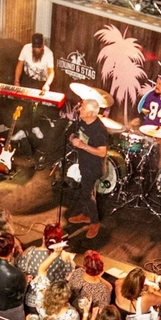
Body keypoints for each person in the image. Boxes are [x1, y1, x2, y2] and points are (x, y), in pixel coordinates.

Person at [66, 98, 109, 239]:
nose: (80, 110)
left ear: (91, 113)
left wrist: (83, 146)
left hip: (94, 167)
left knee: (86, 193)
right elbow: (74, 134)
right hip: (85, 163)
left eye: (83, 109)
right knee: (87, 191)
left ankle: (95, 222)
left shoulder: (99, 130)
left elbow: (102, 152)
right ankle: (86, 214)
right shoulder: (83, 122)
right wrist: (73, 139)